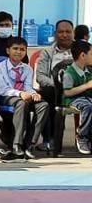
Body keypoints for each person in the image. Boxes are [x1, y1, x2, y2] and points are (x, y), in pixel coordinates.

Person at [0, 36, 49, 161]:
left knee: (43, 105)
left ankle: (30, 144)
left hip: (25, 96)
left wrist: (33, 94)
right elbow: (2, 90)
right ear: (8, 50)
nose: (18, 52)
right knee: (21, 103)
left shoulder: (27, 68)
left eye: (22, 49)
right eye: (15, 48)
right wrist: (20, 94)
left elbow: (28, 86)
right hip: (8, 97)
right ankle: (16, 144)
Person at [34, 19, 74, 149]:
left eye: (68, 31)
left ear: (73, 33)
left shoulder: (83, 51)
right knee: (47, 94)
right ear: (55, 33)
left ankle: (86, 139)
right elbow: (40, 77)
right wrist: (57, 86)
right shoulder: (47, 52)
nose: (64, 35)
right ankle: (50, 139)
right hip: (54, 90)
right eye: (61, 32)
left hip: (78, 90)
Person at [62, 40, 92, 154]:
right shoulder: (69, 73)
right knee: (87, 106)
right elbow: (67, 92)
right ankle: (81, 136)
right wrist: (86, 86)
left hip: (88, 98)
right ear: (83, 55)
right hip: (72, 100)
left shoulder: (89, 70)